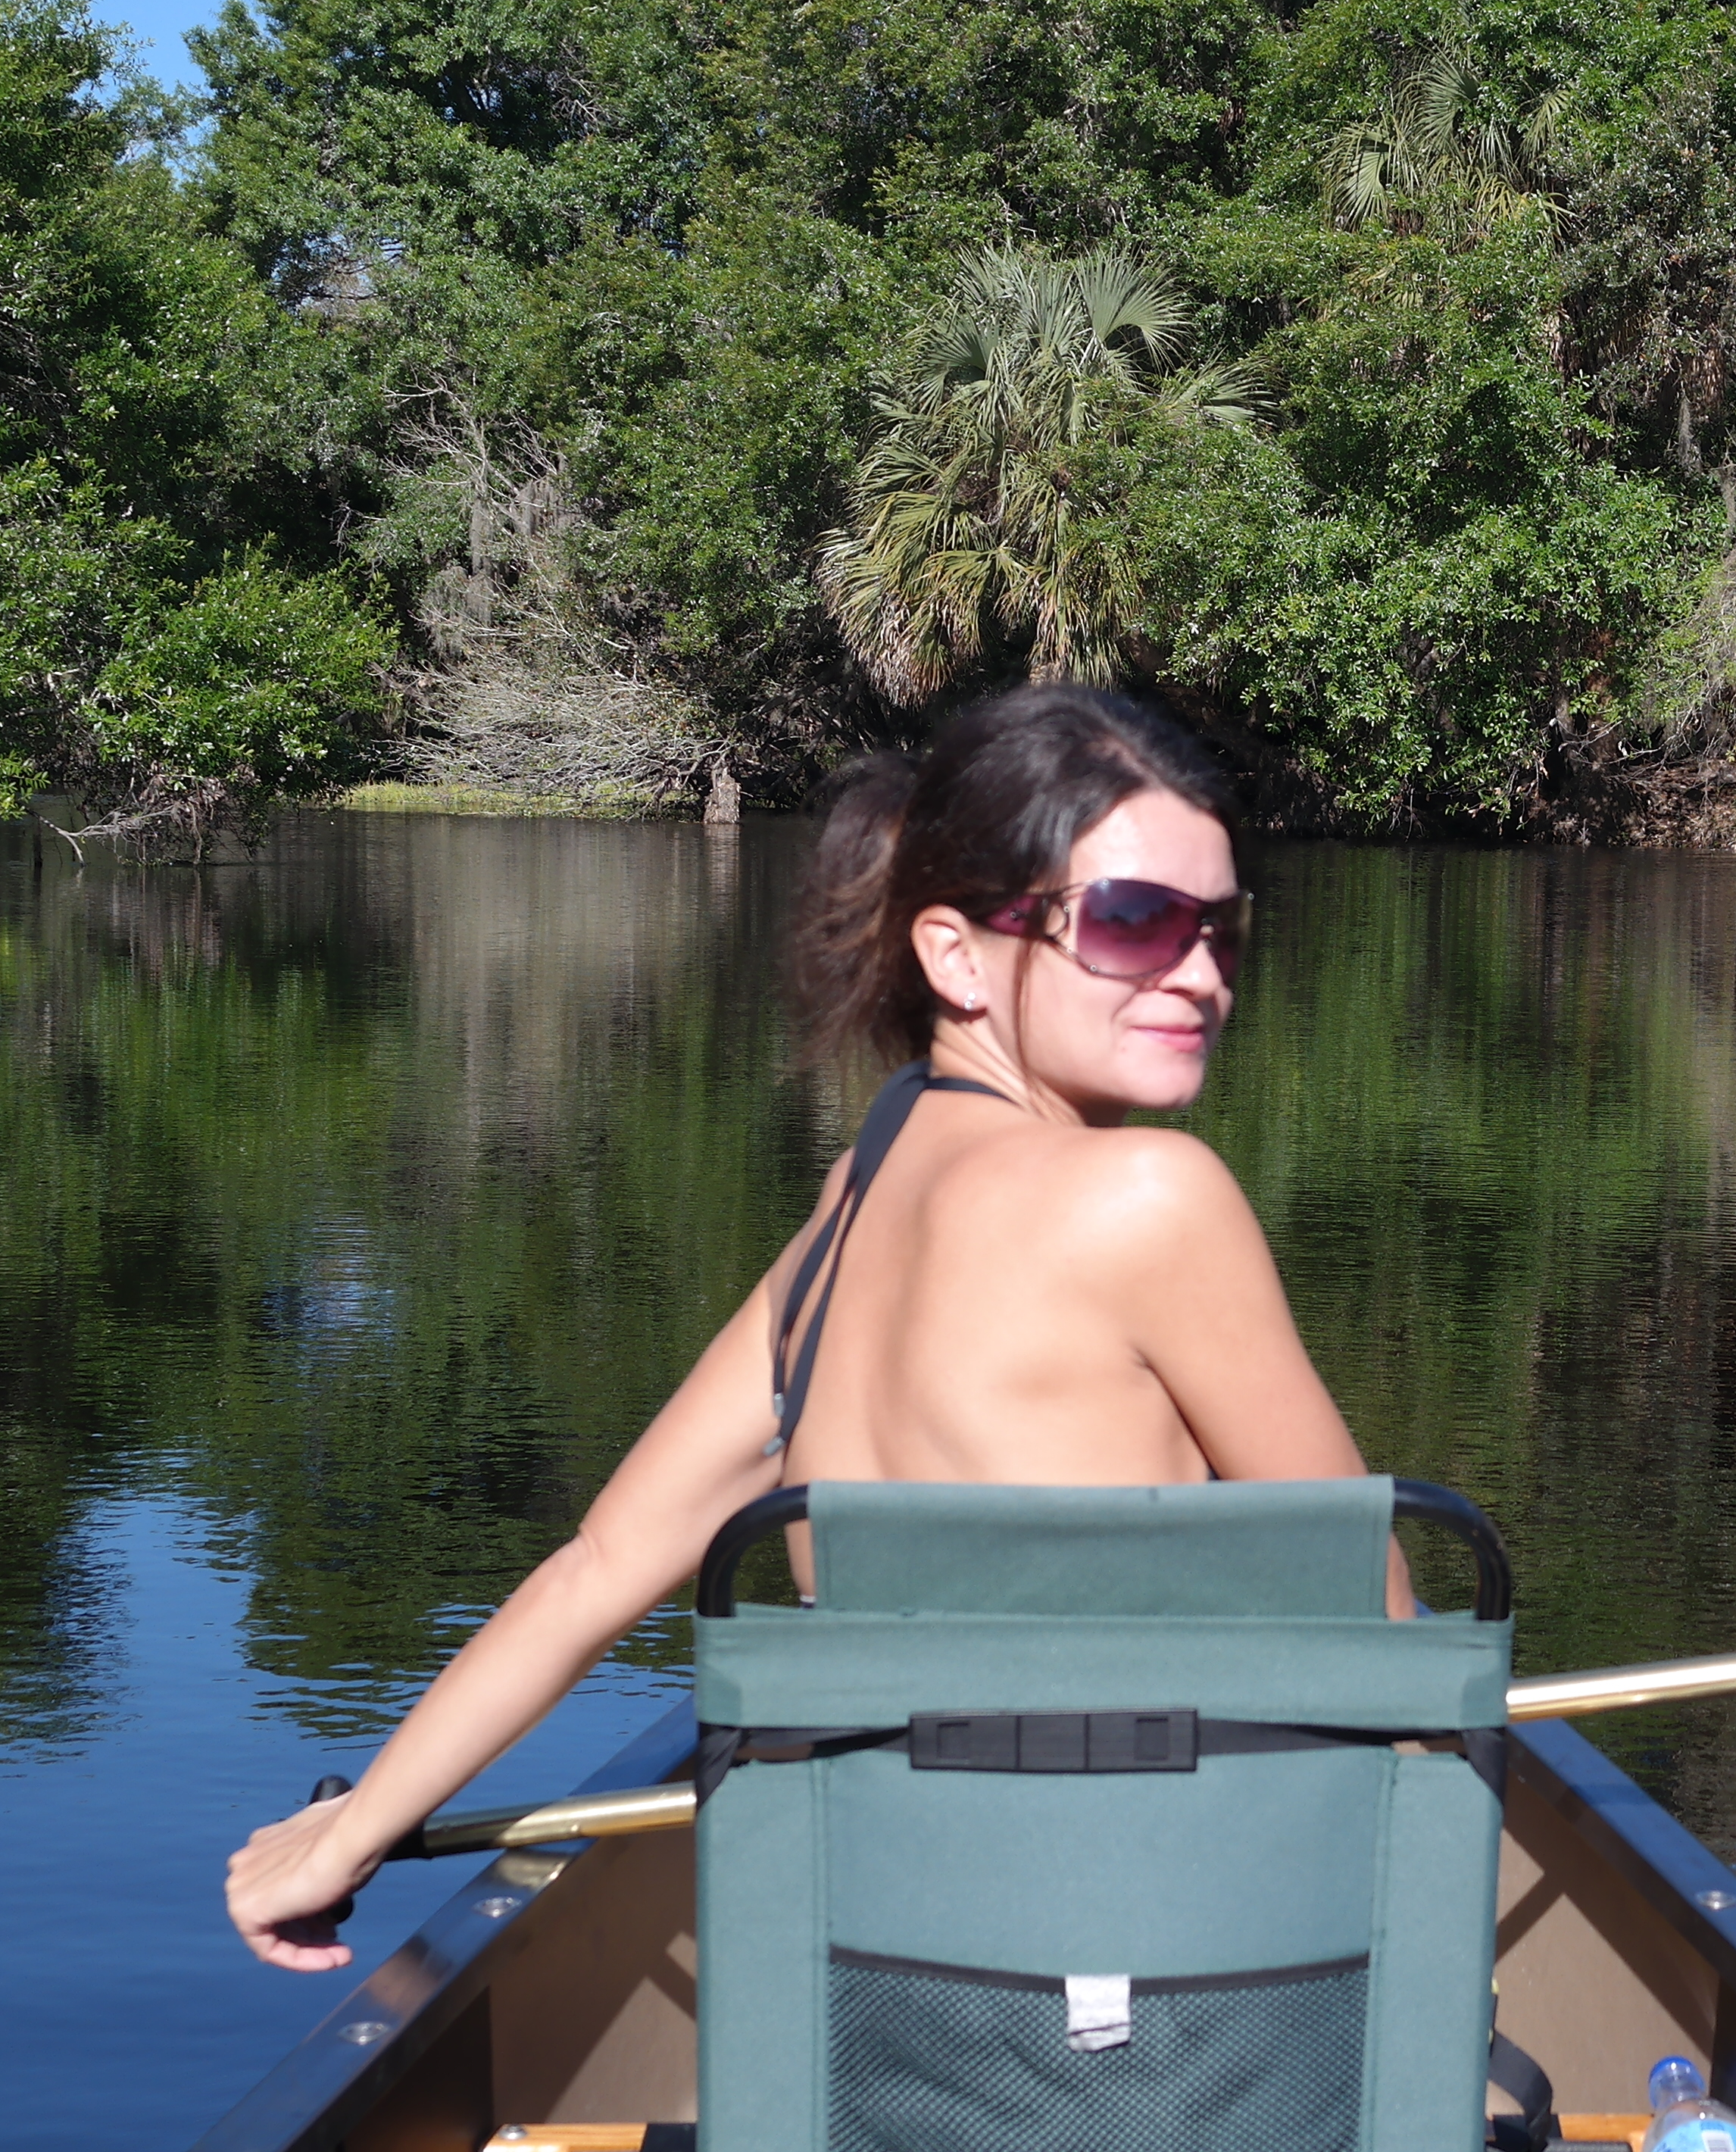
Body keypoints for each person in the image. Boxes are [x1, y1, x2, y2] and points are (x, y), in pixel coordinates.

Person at [225, 687, 1386, 1970]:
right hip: (1133, 1959)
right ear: (954, 956)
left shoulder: (863, 1182)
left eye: (1224, 930)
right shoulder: (1156, 1198)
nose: (1202, 973)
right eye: (1133, 921)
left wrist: (349, 1836)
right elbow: (1382, 1626)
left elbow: (602, 1566)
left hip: (876, 1972)